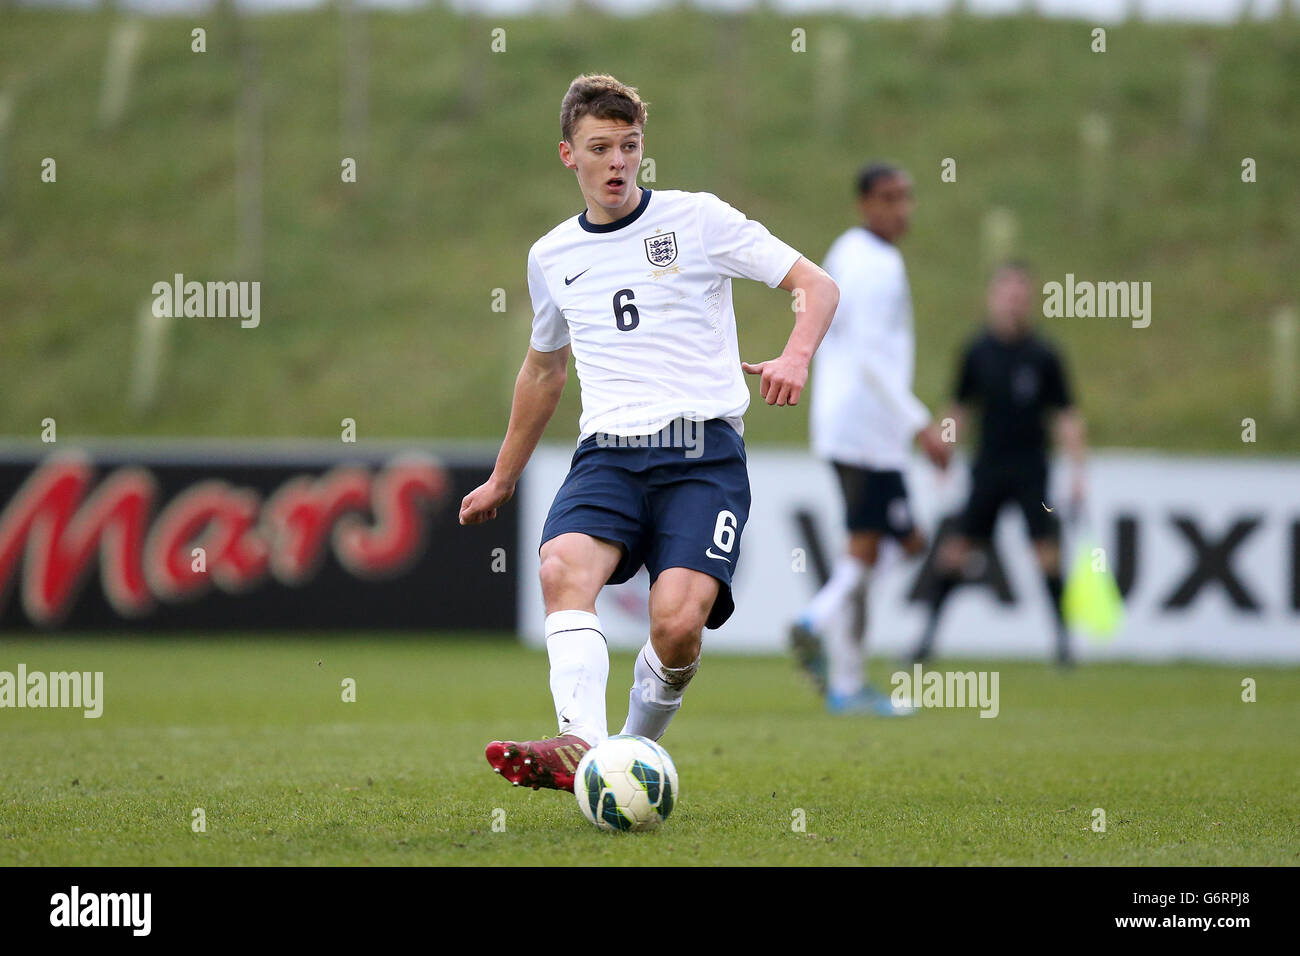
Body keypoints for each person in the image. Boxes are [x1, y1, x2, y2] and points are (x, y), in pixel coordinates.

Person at [459, 74, 839, 791]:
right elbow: (544, 373)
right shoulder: (551, 257)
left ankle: (625, 755)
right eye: (599, 147)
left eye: (629, 146)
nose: (616, 162)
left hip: (703, 458)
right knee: (560, 569)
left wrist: (796, 354)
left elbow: (816, 286)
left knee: (676, 624)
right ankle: (581, 744)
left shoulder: (697, 220)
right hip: (608, 455)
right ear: (567, 154)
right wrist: (502, 478)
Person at [789, 162, 951, 715]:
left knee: (875, 543)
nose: (900, 209)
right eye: (888, 198)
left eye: (906, 197)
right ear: (864, 203)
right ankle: (818, 624)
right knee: (896, 543)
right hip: (869, 429)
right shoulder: (877, 264)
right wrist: (920, 423)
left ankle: (843, 675)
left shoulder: (845, 251)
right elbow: (869, 359)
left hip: (844, 423)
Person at [910, 261, 1087, 666]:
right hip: (988, 468)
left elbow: (1065, 415)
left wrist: (1078, 471)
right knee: (956, 550)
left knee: (1045, 551)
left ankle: (1063, 644)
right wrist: (944, 446)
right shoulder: (977, 351)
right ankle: (926, 641)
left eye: (1021, 296)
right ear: (993, 299)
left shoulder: (1044, 356)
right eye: (1007, 295)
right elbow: (960, 409)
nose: (1014, 303)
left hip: (1031, 469)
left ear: (1030, 301)